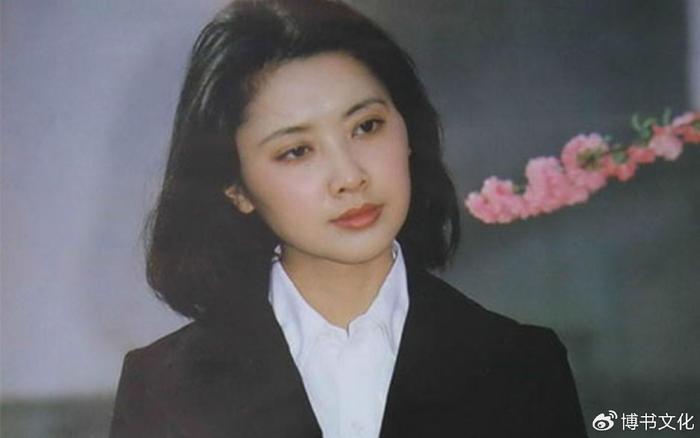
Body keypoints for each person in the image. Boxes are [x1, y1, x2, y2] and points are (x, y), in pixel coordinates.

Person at [109, 0, 588, 436]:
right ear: (236, 188)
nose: (349, 176)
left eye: (367, 126)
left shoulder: (522, 365)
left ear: (409, 131)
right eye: (297, 151)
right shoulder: (161, 388)